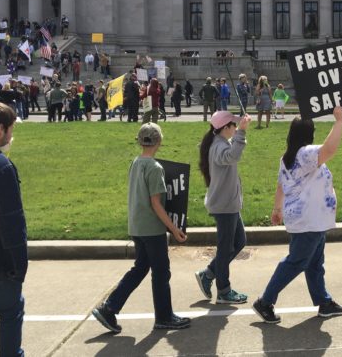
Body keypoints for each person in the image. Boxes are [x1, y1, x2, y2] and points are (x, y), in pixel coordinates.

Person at [92, 123, 190, 333]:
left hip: (136, 226)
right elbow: (156, 204)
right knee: (161, 273)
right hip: (152, 229)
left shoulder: (136, 162)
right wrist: (174, 229)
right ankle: (164, 317)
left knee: (140, 268)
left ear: (139, 141)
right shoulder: (155, 168)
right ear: (159, 142)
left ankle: (109, 308)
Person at [253, 108, 342, 324]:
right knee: (296, 262)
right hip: (309, 221)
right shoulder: (305, 154)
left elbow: (280, 185)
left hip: (310, 220)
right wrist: (339, 121)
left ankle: (324, 303)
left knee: (315, 263)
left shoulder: (288, 156)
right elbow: (330, 149)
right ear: (309, 133)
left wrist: (277, 209)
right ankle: (265, 301)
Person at [196, 110, 252, 304]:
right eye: (233, 126)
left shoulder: (220, 143)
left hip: (229, 204)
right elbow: (232, 157)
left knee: (239, 242)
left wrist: (239, 133)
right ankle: (224, 290)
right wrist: (242, 133)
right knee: (226, 247)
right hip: (224, 206)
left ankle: (209, 273)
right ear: (225, 128)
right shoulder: (218, 147)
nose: (235, 128)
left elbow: (233, 153)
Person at [0, 102, 28, 356]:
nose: (11, 135)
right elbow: (11, 223)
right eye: (10, 129)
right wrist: (19, 266)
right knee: (10, 314)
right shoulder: (2, 168)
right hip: (0, 266)